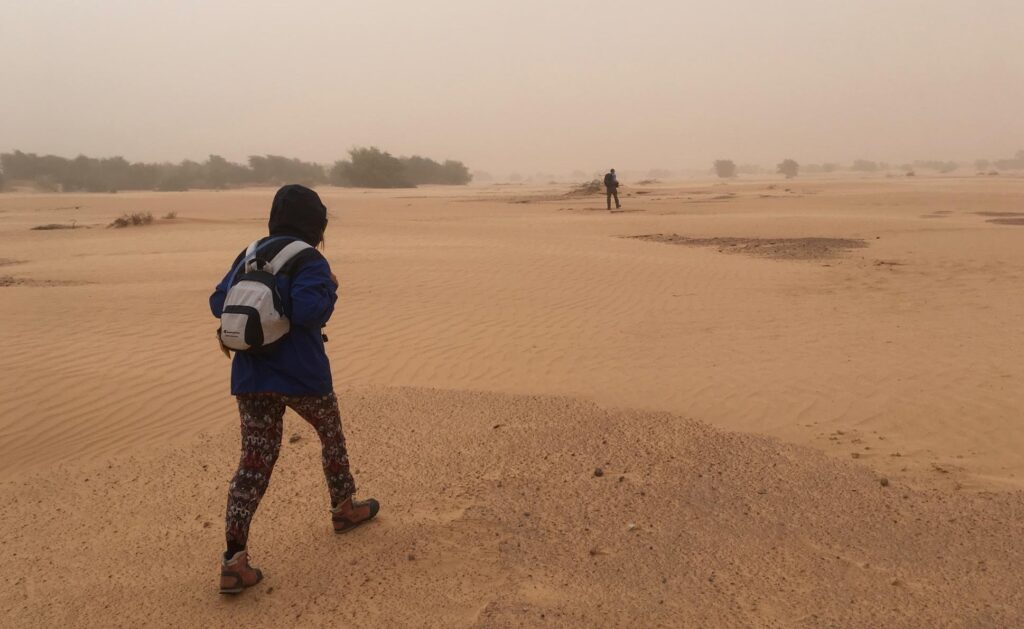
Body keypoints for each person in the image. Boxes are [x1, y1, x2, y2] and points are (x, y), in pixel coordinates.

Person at [209, 184, 379, 594]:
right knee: (330, 436)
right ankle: (344, 508)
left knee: (253, 463)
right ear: (315, 224)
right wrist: (331, 286)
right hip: (303, 375)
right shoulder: (310, 259)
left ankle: (234, 562)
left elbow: (218, 302)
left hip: (250, 377)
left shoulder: (249, 254)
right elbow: (309, 312)